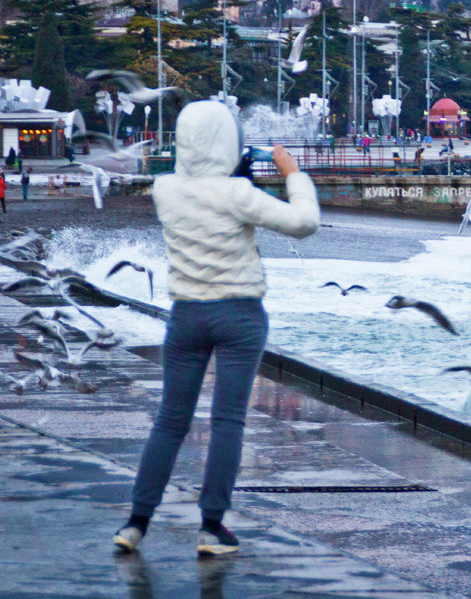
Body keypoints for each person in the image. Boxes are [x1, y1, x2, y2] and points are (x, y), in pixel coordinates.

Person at [114, 101, 319, 558]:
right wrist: (292, 174)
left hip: (185, 316)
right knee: (227, 421)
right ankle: (211, 527)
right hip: (239, 317)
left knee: (170, 420)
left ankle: (135, 522)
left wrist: (234, 178)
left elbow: (207, 197)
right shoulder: (237, 196)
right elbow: (304, 223)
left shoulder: (164, 189)